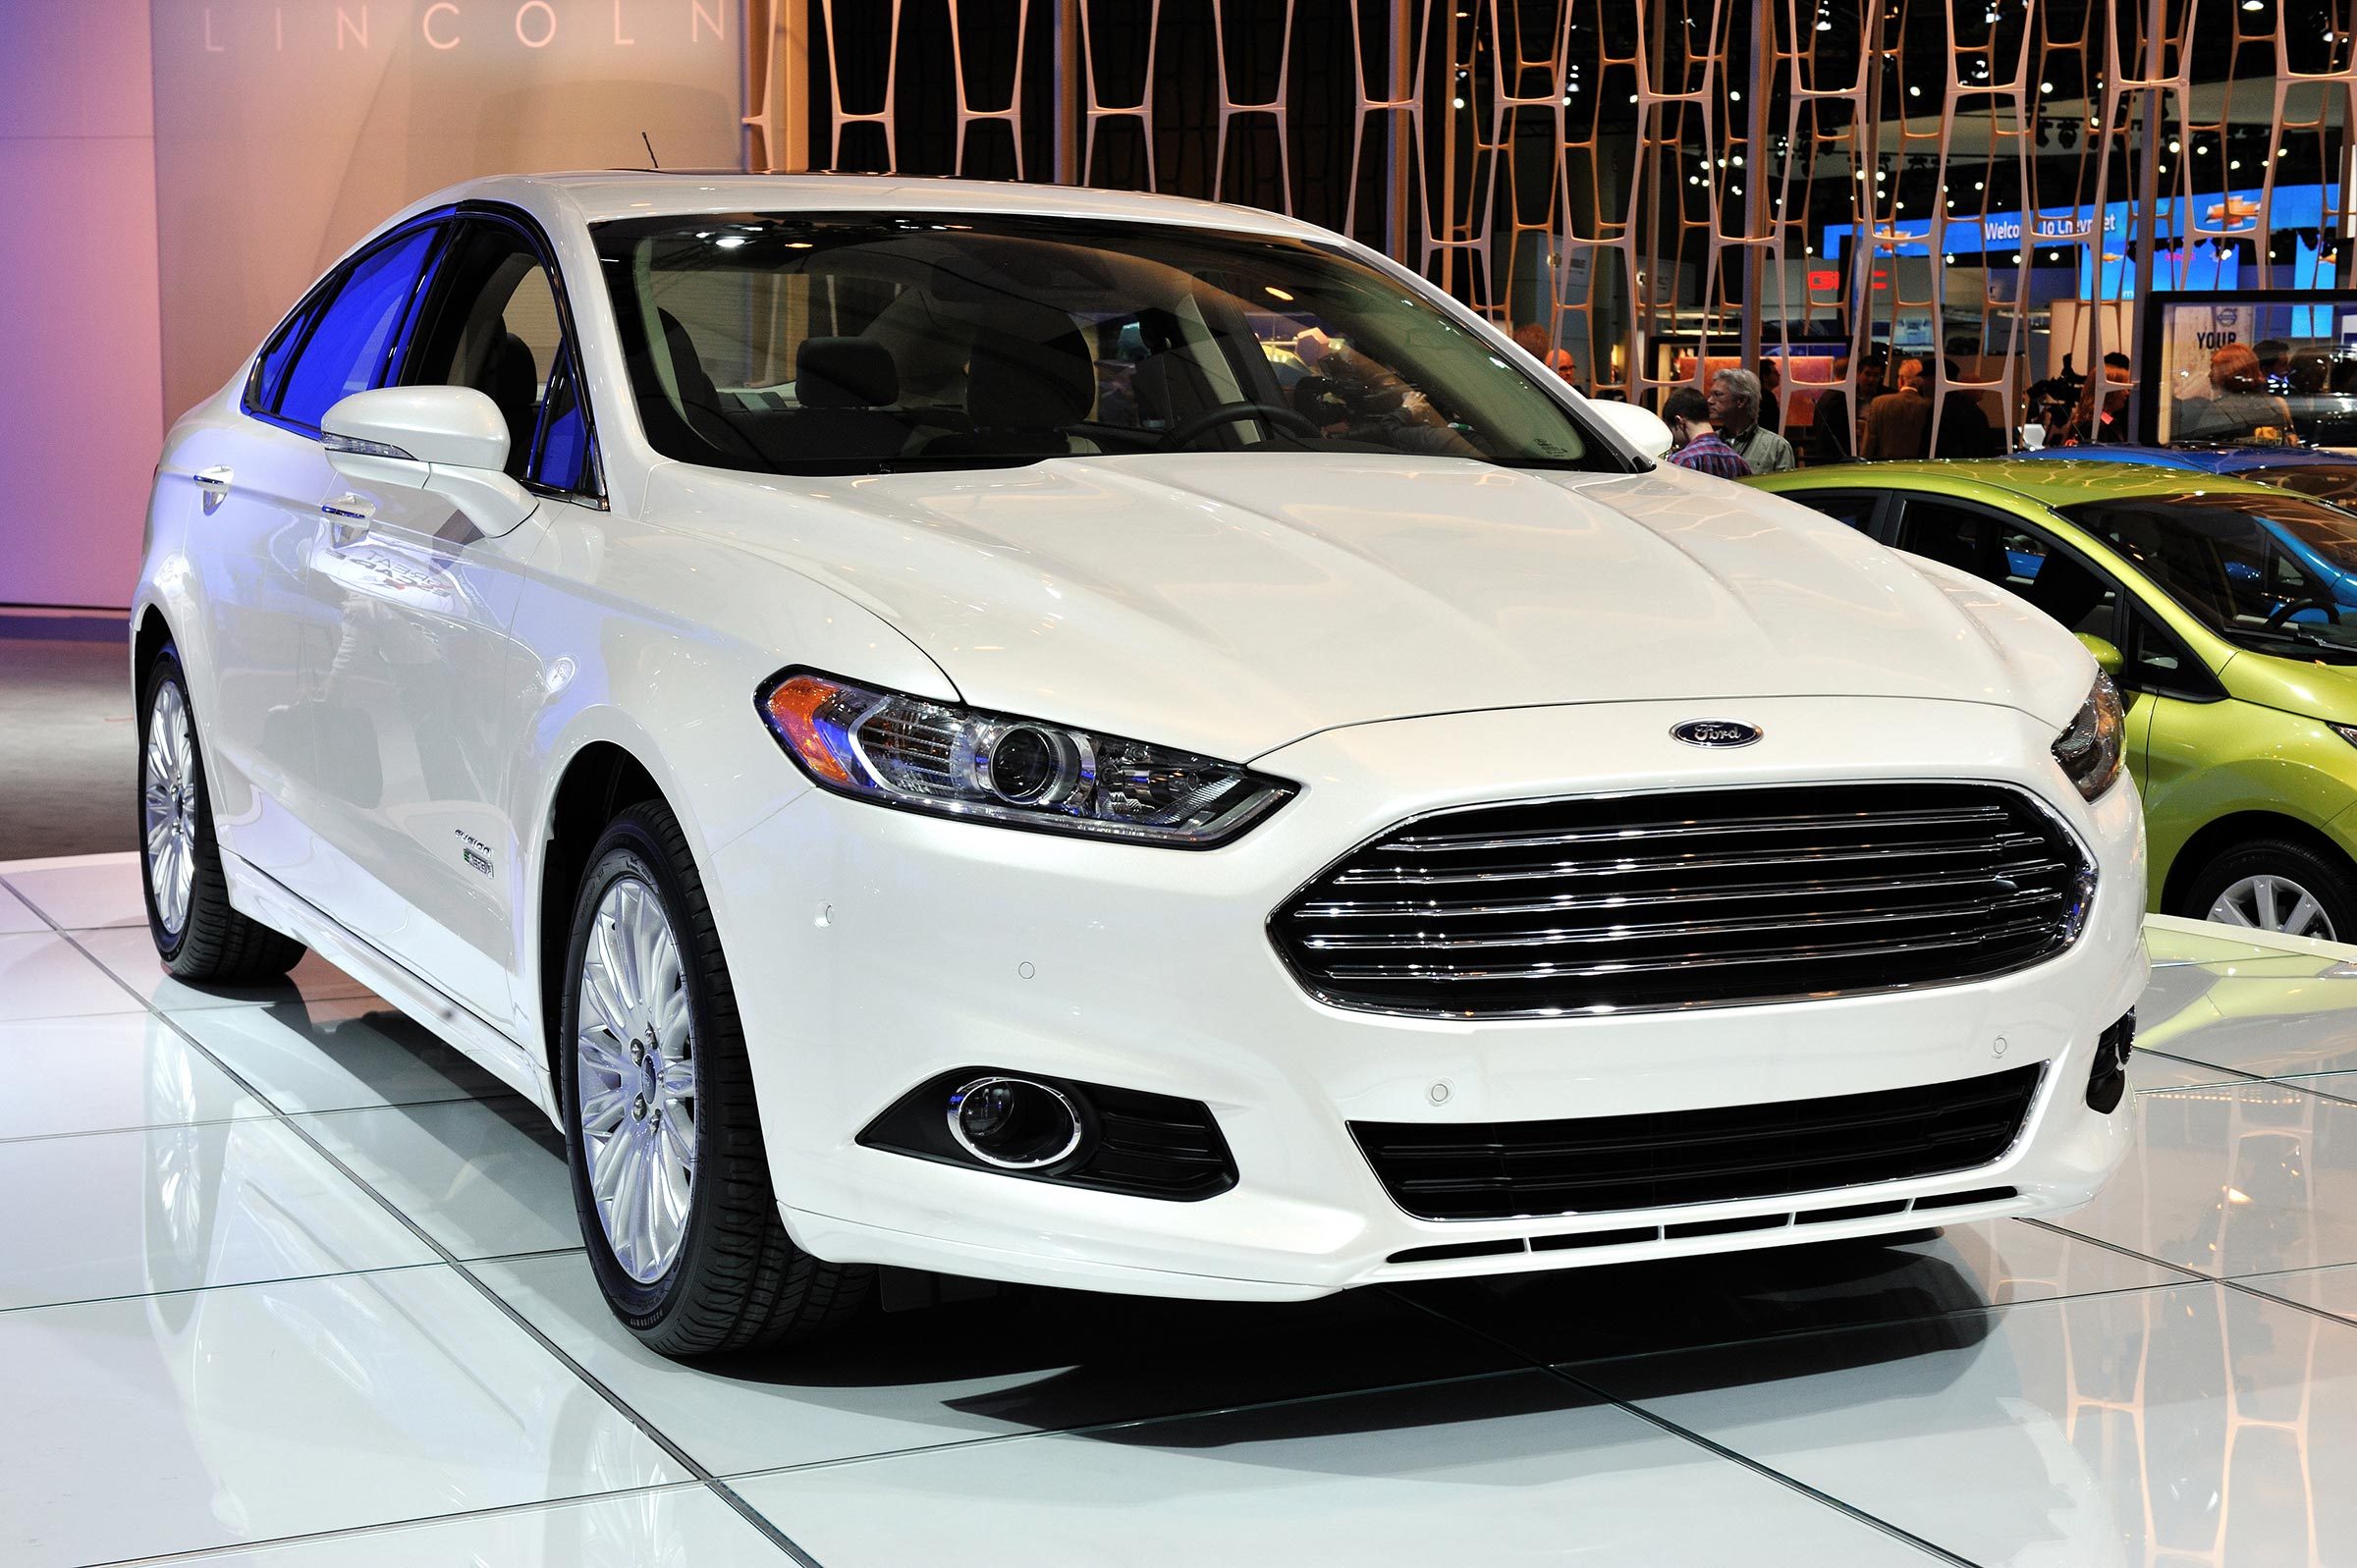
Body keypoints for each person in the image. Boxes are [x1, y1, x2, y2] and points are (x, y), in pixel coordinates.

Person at [1707, 367, 1794, 472]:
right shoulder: (1707, 442)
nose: (1709, 401)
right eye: (1710, 395)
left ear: (1741, 401)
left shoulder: (1776, 447)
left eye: (1718, 395)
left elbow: (1784, 483)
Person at [1806, 351, 1882, 464]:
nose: (1871, 379)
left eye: (1875, 375)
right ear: (1856, 373)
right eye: (1867, 374)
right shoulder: (1839, 399)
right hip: (1842, 460)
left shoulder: (1829, 396)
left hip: (1833, 460)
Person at [1662, 387, 1752, 477]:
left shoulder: (1681, 461)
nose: (1674, 440)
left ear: (1679, 422)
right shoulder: (1739, 462)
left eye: (1671, 430)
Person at [1860, 356, 1931, 459]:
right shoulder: (1928, 406)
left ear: (1901, 379)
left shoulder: (1879, 403)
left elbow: (1868, 446)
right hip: (1918, 466)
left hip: (1885, 465)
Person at [1932, 356, 1997, 458]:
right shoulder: (1974, 413)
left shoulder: (1943, 406)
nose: (1983, 390)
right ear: (1970, 388)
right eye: (1980, 387)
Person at [1510, 322, 1578, 382]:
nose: (1568, 373)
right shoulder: (1547, 380)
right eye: (1563, 369)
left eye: (1571, 368)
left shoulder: (1514, 377)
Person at [1756, 358, 1783, 435]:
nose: (1779, 375)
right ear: (1765, 377)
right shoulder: (1767, 398)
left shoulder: (1760, 395)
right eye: (1775, 372)